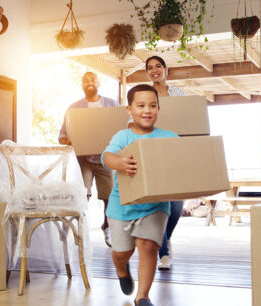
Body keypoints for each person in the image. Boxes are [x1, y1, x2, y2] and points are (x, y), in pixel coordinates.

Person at [102, 84, 177, 306]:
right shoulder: (123, 136)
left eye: (152, 106)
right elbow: (107, 157)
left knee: (148, 246)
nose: (147, 110)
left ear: (158, 109)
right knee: (122, 252)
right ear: (129, 109)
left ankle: (142, 296)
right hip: (122, 205)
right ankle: (121, 268)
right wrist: (120, 163)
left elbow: (179, 162)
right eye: (141, 105)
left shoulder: (169, 137)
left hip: (156, 205)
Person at [59, 71, 119, 248]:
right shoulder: (73, 108)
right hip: (84, 160)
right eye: (86, 81)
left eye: (92, 79)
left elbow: (121, 128)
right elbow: (62, 134)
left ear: (98, 82)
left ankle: (107, 226)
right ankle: (79, 230)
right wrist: (68, 140)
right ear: (82, 85)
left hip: (105, 159)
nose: (89, 83)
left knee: (110, 198)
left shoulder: (111, 104)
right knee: (82, 196)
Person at [145, 55, 186, 270]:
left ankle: (165, 237)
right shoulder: (145, 94)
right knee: (162, 205)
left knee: (177, 206)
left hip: (176, 154)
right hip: (154, 154)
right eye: (150, 68)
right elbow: (133, 118)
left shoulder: (178, 93)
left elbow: (187, 117)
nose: (154, 70)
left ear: (165, 69)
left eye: (158, 66)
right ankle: (164, 254)